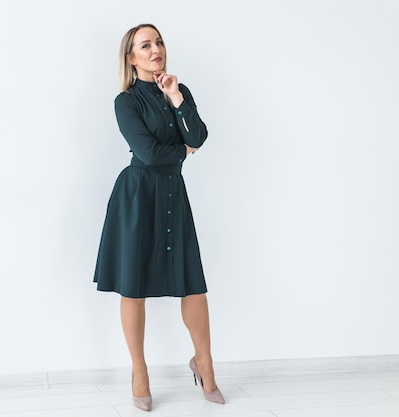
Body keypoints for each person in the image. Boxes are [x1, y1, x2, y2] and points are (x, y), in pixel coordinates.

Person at [93, 23, 225, 411]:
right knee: (133, 287)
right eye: (145, 45)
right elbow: (148, 153)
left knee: (192, 285)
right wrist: (182, 153)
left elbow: (198, 136)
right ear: (131, 58)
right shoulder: (126, 101)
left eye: (159, 42)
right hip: (136, 198)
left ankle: (205, 366)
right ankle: (139, 371)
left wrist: (176, 97)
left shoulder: (178, 92)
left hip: (172, 195)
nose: (156, 50)